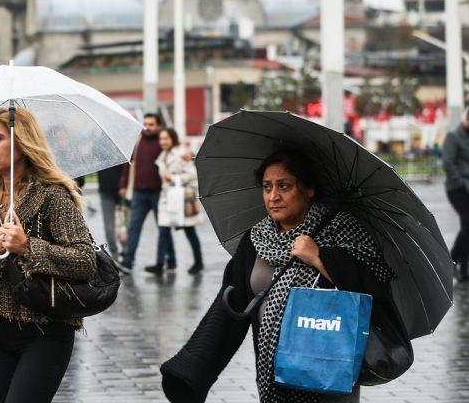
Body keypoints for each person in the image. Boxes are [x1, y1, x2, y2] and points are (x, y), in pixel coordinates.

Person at [160, 148, 397, 403]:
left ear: (308, 189)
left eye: (284, 186)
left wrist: (320, 258)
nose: (274, 196)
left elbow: (372, 290)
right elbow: (230, 306)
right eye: (267, 187)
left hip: (329, 376)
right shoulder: (256, 240)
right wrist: (192, 369)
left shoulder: (341, 231)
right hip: (274, 376)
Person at [0, 107, 96, 403]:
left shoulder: (52, 196)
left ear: (21, 143)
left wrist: (27, 246)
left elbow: (85, 260)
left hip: (46, 329)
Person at [117, 113, 171, 273]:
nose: (148, 127)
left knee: (163, 228)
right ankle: (127, 262)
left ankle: (168, 259)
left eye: (151, 124)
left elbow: (174, 153)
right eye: (145, 123)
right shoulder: (137, 140)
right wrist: (124, 184)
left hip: (158, 192)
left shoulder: (162, 141)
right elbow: (129, 164)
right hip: (139, 192)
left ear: (159, 125)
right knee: (134, 227)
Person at [146, 128, 204, 276]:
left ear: (173, 139)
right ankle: (160, 263)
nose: (162, 142)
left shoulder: (181, 153)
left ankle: (199, 262)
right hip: (167, 198)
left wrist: (174, 179)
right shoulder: (163, 155)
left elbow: (192, 174)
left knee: (189, 230)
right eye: (161, 139)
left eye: (165, 138)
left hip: (181, 197)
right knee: (163, 229)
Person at [443, 107, 469, 281]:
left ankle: (463, 268)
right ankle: (452, 261)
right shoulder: (453, 136)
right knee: (468, 224)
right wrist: (460, 181)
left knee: (467, 227)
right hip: (457, 188)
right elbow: (448, 162)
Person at [97, 164, 123, 255]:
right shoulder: (122, 152)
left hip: (109, 189)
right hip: (119, 189)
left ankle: (115, 252)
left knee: (110, 223)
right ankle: (123, 250)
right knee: (124, 223)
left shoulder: (100, 152)